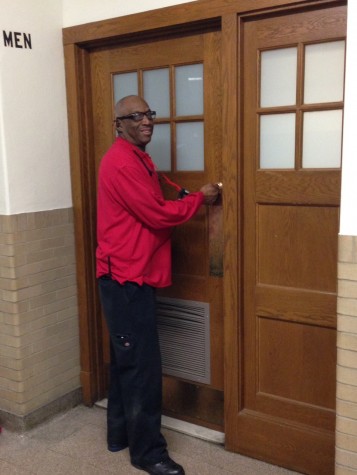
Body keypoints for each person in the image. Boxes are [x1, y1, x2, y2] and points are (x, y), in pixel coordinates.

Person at [96, 95, 220, 475]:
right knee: (143, 368)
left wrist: (185, 194)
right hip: (125, 279)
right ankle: (148, 453)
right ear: (119, 124)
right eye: (135, 116)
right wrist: (199, 199)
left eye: (148, 114)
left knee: (126, 361)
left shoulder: (138, 157)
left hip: (130, 275)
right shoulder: (120, 162)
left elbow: (152, 197)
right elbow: (155, 214)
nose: (145, 120)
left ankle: (119, 435)